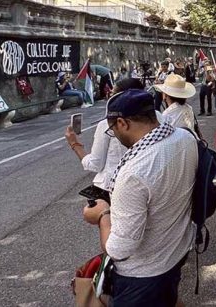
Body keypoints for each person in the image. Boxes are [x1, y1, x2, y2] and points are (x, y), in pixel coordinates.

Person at [81, 89, 197, 305]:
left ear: (123, 123)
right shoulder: (184, 138)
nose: (113, 134)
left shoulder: (134, 173)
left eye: (112, 129)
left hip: (142, 275)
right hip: (176, 250)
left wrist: (102, 214)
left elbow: (119, 249)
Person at [64, 78, 145, 191]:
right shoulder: (156, 117)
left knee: (90, 209)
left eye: (111, 94)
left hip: (115, 185)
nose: (108, 97)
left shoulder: (108, 124)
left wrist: (74, 144)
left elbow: (95, 164)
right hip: (145, 179)